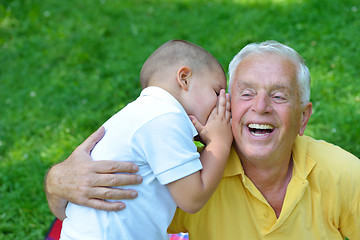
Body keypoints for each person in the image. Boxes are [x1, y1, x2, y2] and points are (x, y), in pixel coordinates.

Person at [45, 41, 360, 239]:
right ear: (229, 106)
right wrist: (56, 181)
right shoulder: (188, 170)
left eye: (278, 96)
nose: (261, 107)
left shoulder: (344, 174)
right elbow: (92, 216)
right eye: (246, 94)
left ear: (303, 117)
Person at [56, 39, 233, 240]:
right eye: (216, 91)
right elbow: (192, 198)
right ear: (184, 78)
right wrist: (220, 142)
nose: (222, 102)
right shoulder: (165, 118)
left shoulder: (145, 114)